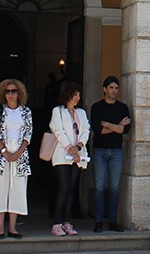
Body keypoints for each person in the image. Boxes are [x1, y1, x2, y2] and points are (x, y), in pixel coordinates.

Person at [0, 78, 33, 239]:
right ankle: (0, 228)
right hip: (1, 158)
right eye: (7, 92)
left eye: (13, 91)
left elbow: (28, 134)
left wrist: (18, 153)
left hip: (20, 158)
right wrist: (5, 152)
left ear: (19, 93)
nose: (10, 94)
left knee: (18, 192)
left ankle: (13, 228)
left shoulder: (26, 112)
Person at [90, 75, 131, 233]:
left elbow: (125, 130)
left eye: (116, 88)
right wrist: (117, 126)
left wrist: (107, 124)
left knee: (114, 188)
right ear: (104, 89)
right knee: (99, 187)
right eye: (111, 88)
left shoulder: (123, 108)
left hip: (116, 151)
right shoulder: (96, 107)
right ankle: (98, 221)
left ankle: (113, 221)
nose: (114, 91)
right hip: (99, 150)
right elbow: (97, 131)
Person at [50, 82, 90, 236]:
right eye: (75, 94)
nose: (77, 97)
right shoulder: (57, 111)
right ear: (67, 95)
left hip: (78, 155)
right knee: (64, 187)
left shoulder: (81, 113)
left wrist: (79, 146)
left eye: (79, 94)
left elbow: (86, 129)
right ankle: (57, 223)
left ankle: (67, 222)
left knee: (72, 189)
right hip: (62, 154)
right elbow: (58, 131)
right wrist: (70, 147)